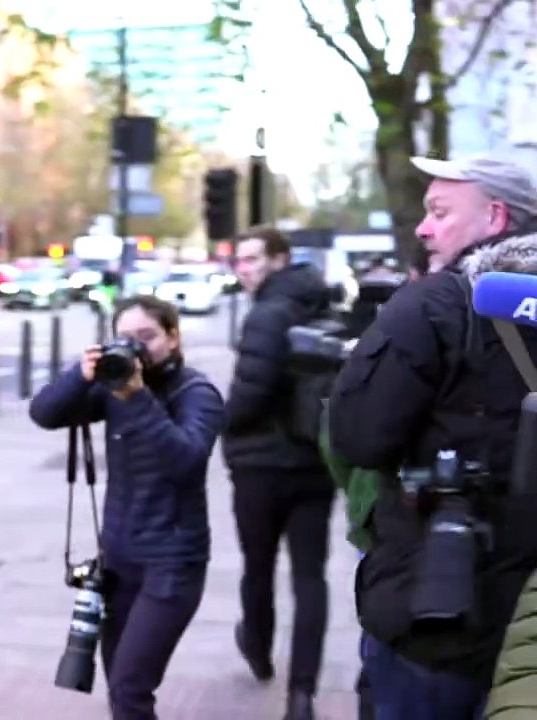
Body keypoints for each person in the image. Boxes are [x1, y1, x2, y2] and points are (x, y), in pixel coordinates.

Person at [328, 154, 537, 719]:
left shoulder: (436, 305)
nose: (424, 228)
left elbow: (358, 437)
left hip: (444, 613)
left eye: (440, 212)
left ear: (495, 218)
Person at [29, 295, 226, 720]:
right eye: (125, 338)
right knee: (120, 683)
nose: (136, 348)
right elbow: (45, 412)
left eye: (147, 337)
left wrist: (136, 396)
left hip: (172, 561)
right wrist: (80, 376)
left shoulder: (198, 393)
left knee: (131, 685)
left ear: (173, 338)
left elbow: (186, 461)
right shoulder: (113, 388)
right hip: (118, 560)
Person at [223, 225, 335, 720]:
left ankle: (259, 650)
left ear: (280, 259)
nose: (244, 270)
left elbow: (251, 392)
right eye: (239, 262)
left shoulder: (268, 313)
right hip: (314, 461)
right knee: (310, 577)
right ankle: (302, 695)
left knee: (259, 565)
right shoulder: (323, 303)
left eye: (252, 259)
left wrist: (216, 423)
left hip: (261, 463)